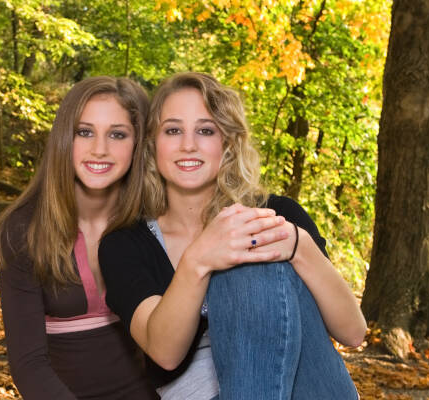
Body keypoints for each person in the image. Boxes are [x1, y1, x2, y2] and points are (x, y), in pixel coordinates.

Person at [99, 72, 367, 399]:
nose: (188, 144)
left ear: (227, 143)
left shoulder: (277, 214)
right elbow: (165, 353)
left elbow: (353, 332)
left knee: (254, 248)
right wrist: (199, 260)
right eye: (173, 130)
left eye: (205, 130)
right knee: (240, 260)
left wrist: (299, 246)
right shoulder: (125, 244)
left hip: (307, 386)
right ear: (153, 144)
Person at [0, 76, 158, 400]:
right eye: (85, 132)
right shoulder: (24, 229)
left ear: (138, 143)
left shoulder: (152, 220)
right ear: (64, 138)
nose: (100, 149)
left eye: (117, 134)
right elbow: (29, 365)